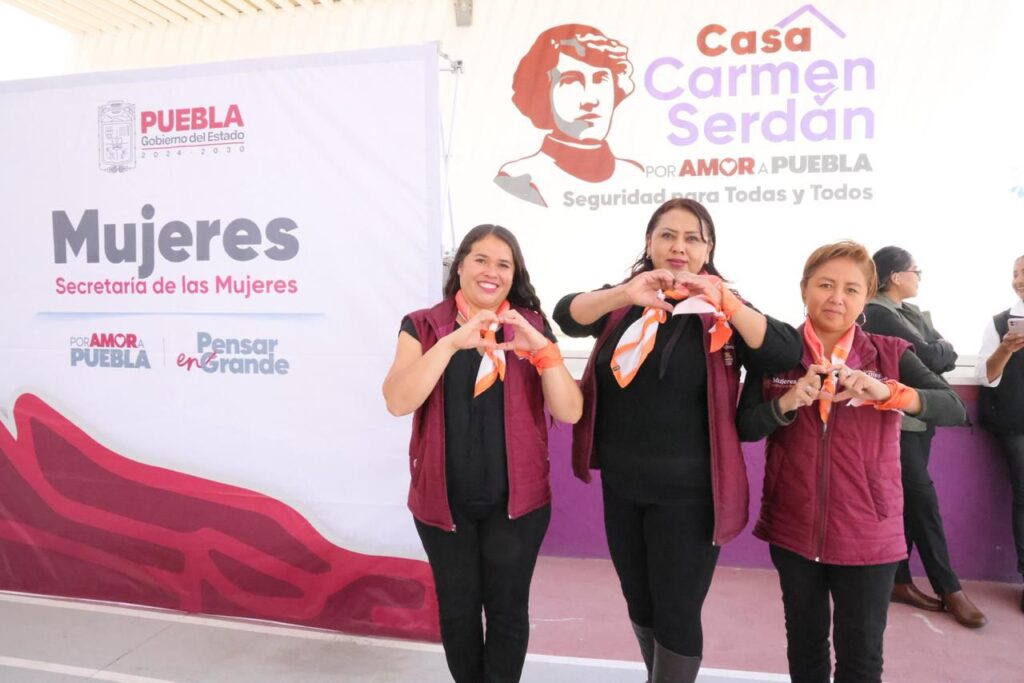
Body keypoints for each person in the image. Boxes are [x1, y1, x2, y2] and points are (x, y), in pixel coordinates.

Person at [553, 198, 801, 682]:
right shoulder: (624, 300)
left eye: (692, 238)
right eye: (667, 235)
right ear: (650, 242)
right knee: (639, 601)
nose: (679, 246)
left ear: (708, 250)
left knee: (677, 611)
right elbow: (568, 315)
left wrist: (725, 302)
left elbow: (782, 350)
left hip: (691, 494)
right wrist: (625, 292)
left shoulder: (721, 309)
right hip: (623, 487)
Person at [738, 241, 967, 683]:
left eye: (851, 289)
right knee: (805, 651)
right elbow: (746, 427)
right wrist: (785, 403)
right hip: (793, 525)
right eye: (825, 285)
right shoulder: (777, 354)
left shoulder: (889, 352)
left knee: (861, 661)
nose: (836, 298)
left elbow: (954, 408)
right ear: (804, 288)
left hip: (869, 532)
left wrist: (888, 393)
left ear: (865, 298)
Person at [382, 224, 582, 683]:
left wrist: (545, 352)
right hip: (443, 503)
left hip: (517, 506)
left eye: (503, 264)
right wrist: (451, 343)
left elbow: (570, 411)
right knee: (458, 611)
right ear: (460, 267)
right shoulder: (422, 325)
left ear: (514, 275)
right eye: (481, 260)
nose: (491, 271)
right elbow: (397, 400)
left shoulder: (531, 327)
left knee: (508, 611)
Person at [861, 246, 986, 627]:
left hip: (921, 420)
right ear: (895, 276)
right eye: (916, 271)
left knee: (911, 504)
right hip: (898, 422)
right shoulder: (878, 312)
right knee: (923, 502)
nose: (919, 278)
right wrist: (939, 350)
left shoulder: (910, 313)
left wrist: (939, 350)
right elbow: (932, 357)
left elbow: (945, 352)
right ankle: (949, 588)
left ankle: (899, 580)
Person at [495, 23, 644, 207]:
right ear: (543, 94)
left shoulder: (635, 174)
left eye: (600, 79)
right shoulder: (520, 178)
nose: (590, 99)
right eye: (571, 80)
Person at [976, 253, 1024, 613]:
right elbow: (986, 376)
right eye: (1016, 274)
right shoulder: (999, 323)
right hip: (1015, 420)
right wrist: (1006, 349)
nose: (1018, 280)